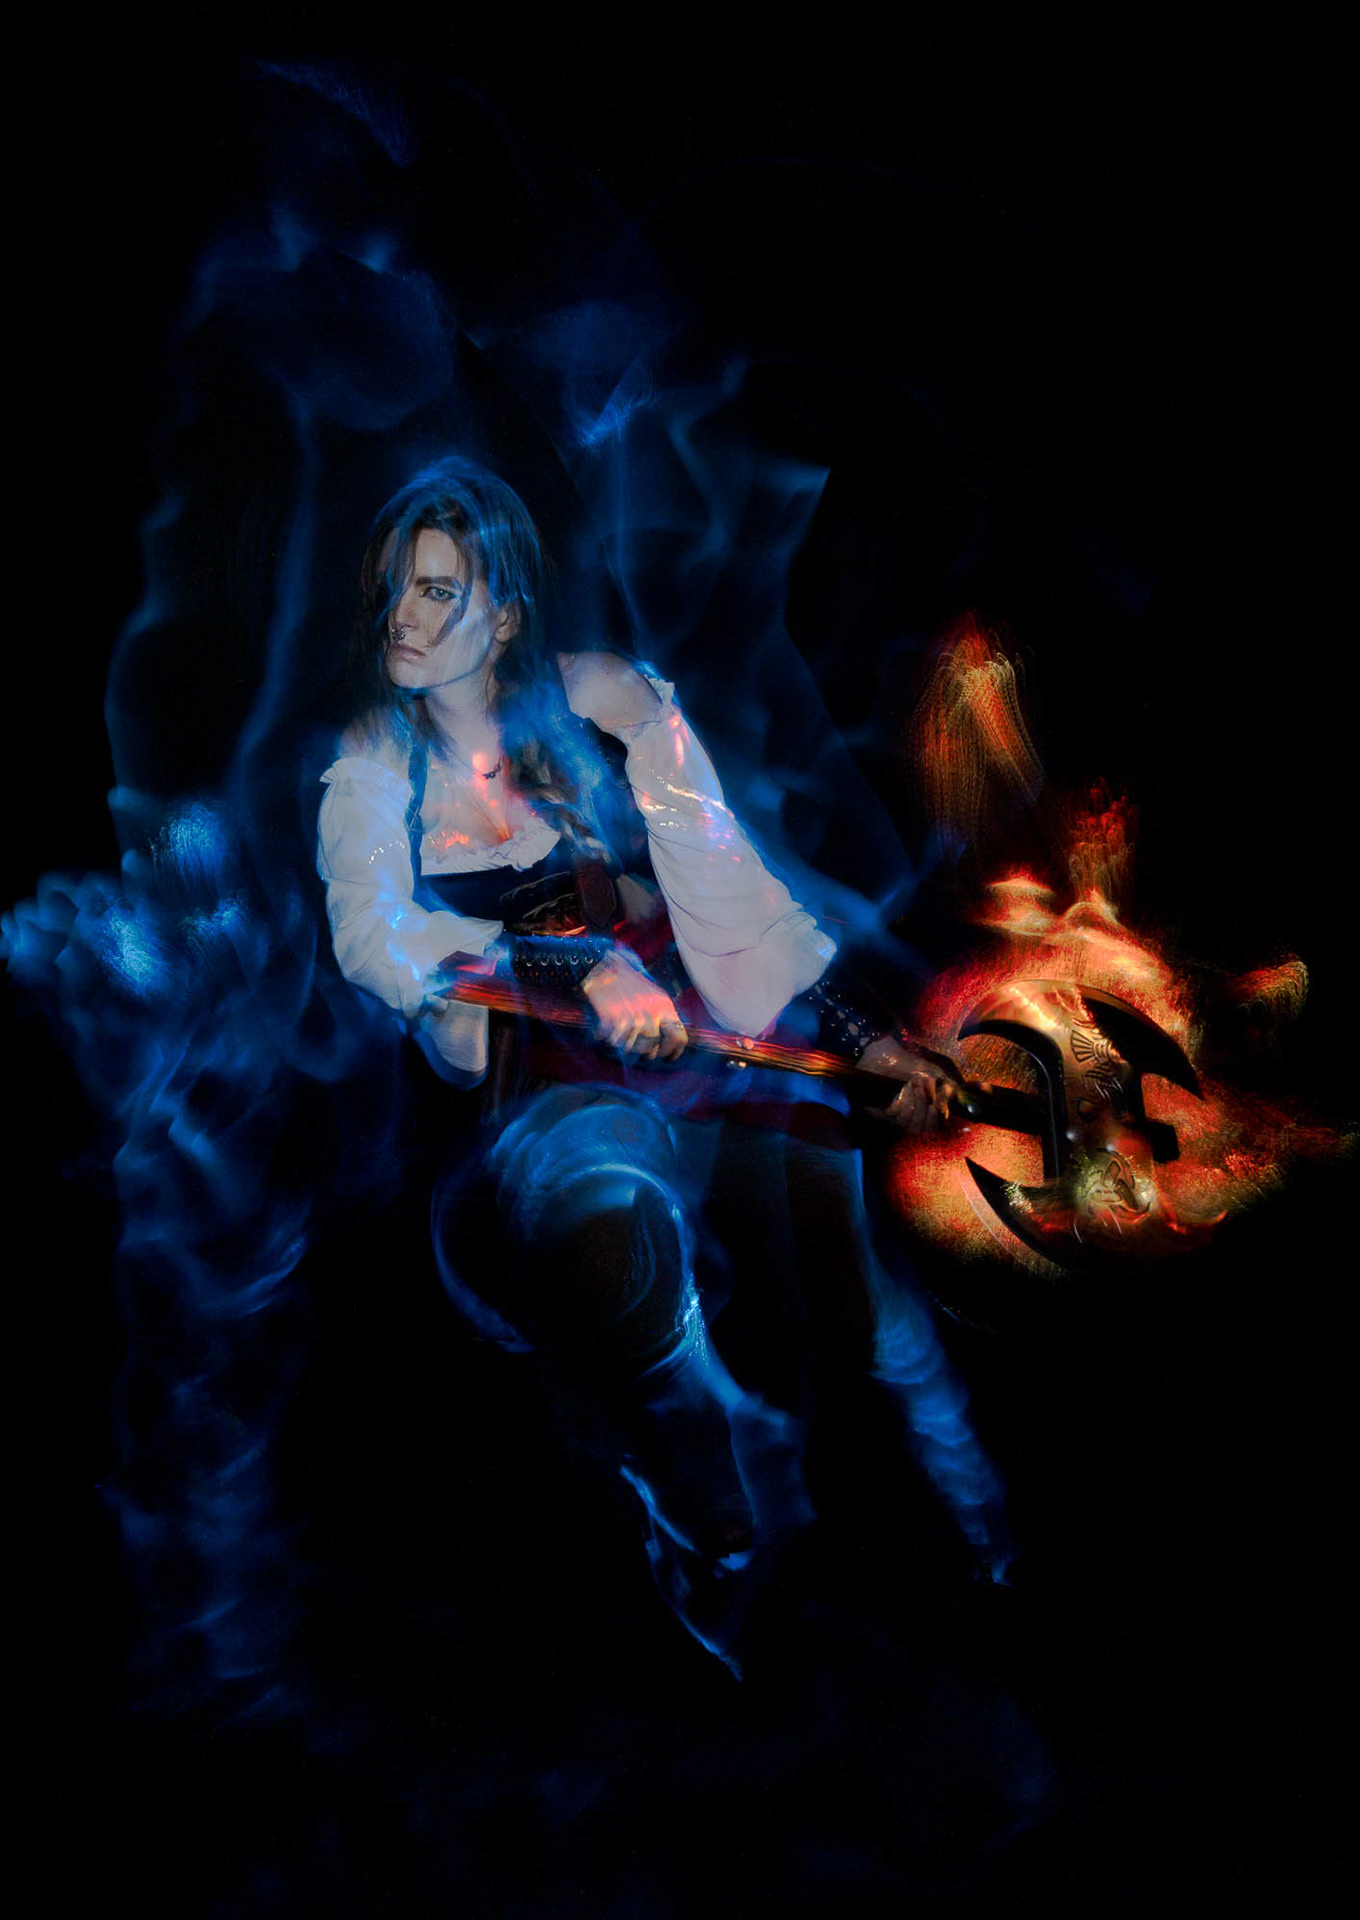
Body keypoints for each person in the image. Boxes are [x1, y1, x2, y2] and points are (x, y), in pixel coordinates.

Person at [315, 458, 999, 1659]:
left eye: (436, 592)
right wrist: (574, 969)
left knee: (854, 1278)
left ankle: (976, 1502)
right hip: (549, 1079)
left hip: (710, 1030)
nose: (401, 619)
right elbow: (375, 939)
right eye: (393, 591)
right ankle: (718, 1519)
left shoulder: (605, 699)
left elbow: (730, 886)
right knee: (611, 1250)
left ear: (504, 614)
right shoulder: (375, 761)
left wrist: (869, 1039)